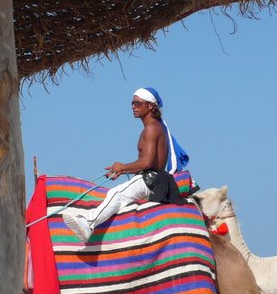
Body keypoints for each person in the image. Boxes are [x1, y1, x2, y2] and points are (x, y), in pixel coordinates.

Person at [62, 87, 185, 242]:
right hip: (152, 178)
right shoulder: (153, 127)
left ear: (150, 106)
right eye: (132, 103)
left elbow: (146, 162)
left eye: (138, 103)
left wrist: (122, 167)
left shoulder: (152, 128)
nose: (133, 106)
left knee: (116, 194)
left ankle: (88, 223)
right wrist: (120, 171)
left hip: (151, 179)